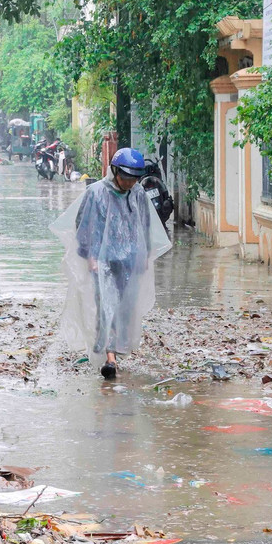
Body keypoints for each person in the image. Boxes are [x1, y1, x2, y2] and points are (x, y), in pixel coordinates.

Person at [50, 148, 171, 379]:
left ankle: (111, 345)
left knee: (124, 307)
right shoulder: (95, 193)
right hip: (102, 261)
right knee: (106, 305)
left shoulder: (138, 195)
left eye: (133, 178)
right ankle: (110, 358)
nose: (129, 182)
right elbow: (82, 225)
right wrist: (90, 256)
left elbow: (145, 225)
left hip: (129, 260)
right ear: (115, 172)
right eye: (125, 177)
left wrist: (144, 255)